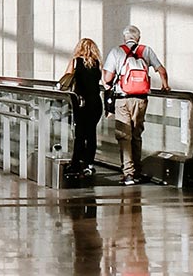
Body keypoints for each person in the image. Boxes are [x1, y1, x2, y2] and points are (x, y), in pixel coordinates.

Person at [104, 25, 168, 185]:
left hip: (123, 99)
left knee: (124, 136)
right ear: (138, 38)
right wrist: (165, 85)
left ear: (124, 37)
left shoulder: (117, 51)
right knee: (136, 134)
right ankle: (138, 171)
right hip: (141, 99)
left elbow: (107, 78)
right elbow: (161, 70)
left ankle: (128, 174)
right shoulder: (146, 51)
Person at [59, 38, 106, 177]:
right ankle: (89, 164)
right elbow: (104, 82)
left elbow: (65, 80)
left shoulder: (75, 61)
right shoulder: (98, 63)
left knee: (80, 134)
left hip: (81, 103)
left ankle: (75, 164)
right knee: (91, 134)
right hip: (96, 103)